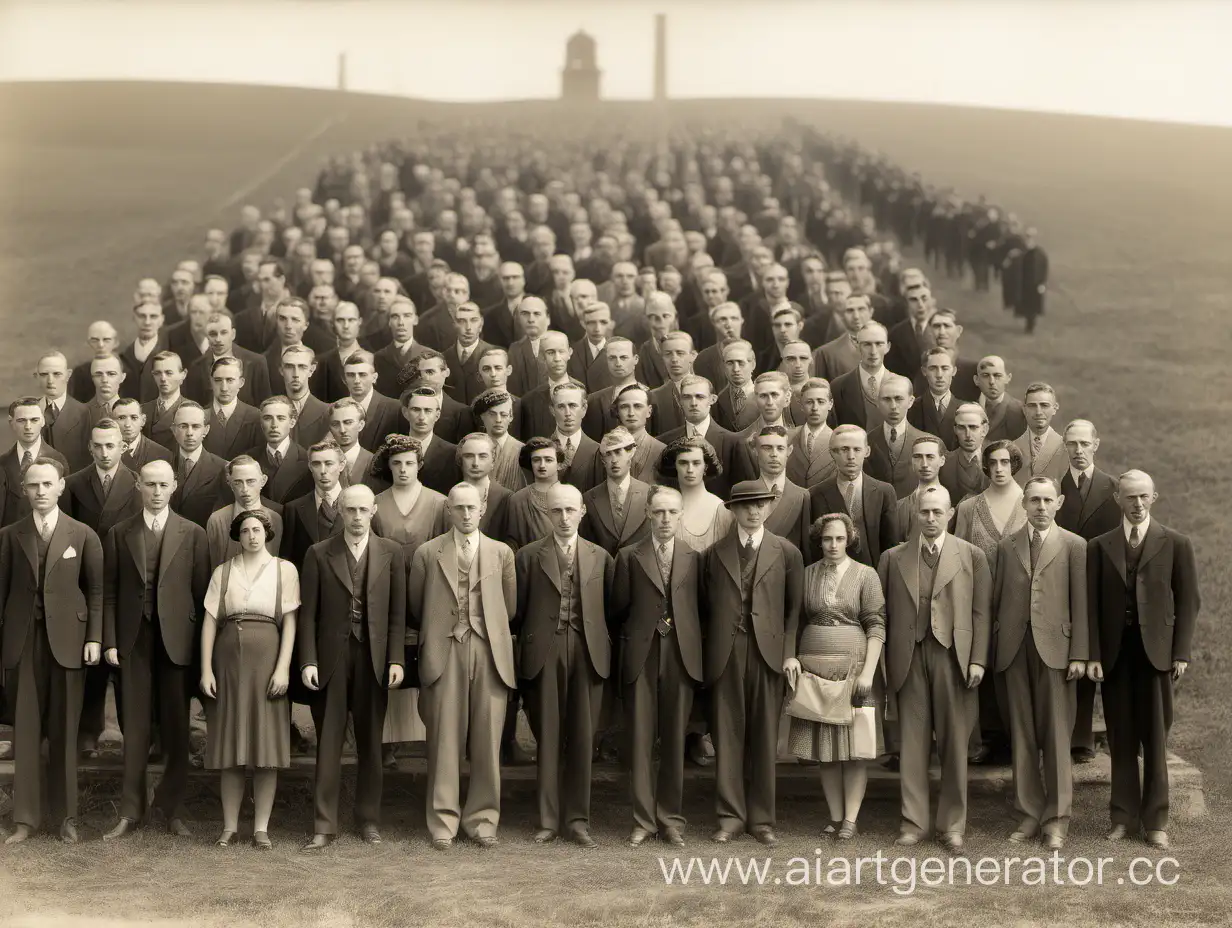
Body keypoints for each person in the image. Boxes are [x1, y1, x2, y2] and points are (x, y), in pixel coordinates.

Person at [1087, 471, 1200, 850]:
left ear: (1155, 497)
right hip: (1116, 656)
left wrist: (1180, 652)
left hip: (1157, 656)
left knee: (1154, 738)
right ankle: (1122, 816)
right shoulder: (1099, 546)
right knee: (1120, 739)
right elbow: (1090, 607)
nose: (1137, 504)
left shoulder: (1176, 543)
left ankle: (1155, 822)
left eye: (1144, 497)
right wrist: (1095, 656)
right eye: (1130, 497)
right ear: (1118, 497)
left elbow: (1187, 602)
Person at [100, 461, 210, 841]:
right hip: (133, 642)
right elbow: (110, 593)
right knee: (135, 728)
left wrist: (200, 653)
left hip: (177, 642)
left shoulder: (193, 534)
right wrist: (111, 640)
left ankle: (172, 806)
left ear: (174, 486)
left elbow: (201, 595)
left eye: (163, 484)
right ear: (138, 486)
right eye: (150, 484)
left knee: (178, 729)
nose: (157, 491)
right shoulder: (119, 532)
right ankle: (130, 809)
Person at [879, 486, 991, 852]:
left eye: (937, 512)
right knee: (912, 745)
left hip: (953, 657)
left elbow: (980, 613)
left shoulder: (971, 556)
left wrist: (977, 659)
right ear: (915, 512)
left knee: (955, 743)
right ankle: (913, 822)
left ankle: (952, 825)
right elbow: (882, 616)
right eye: (924, 512)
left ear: (951, 514)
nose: (930, 518)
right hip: (908, 657)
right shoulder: (892, 558)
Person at [0, 458, 104, 844]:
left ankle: (66, 817)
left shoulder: (82, 535)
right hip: (23, 641)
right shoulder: (10, 535)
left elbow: (96, 591)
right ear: (24, 490)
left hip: (69, 642)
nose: (40, 492)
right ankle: (25, 819)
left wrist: (94, 637)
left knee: (65, 729)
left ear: (61, 486)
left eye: (48, 484)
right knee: (25, 729)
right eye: (33, 485)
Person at [298, 485, 407, 850]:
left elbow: (397, 614)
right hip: (331, 659)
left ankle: (368, 820)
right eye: (350, 510)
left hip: (374, 659)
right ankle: (323, 824)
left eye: (363, 509)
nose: (357, 517)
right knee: (328, 743)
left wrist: (395, 659)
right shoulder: (318, 554)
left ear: (374, 510)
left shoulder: (392, 553)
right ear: (340, 512)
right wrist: (309, 660)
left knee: (370, 744)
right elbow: (307, 616)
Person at [410, 483, 517, 850]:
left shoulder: (502, 553)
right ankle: (443, 822)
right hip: (444, 650)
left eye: (472, 507)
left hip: (489, 651)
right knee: (444, 739)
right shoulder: (427, 553)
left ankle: (483, 820)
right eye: (458, 508)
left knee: (487, 738)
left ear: (483, 508)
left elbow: (510, 607)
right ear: (449, 511)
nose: (466, 514)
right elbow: (416, 606)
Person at [703, 480, 804, 847]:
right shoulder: (714, 554)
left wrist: (790, 652)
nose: (753, 511)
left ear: (769, 507)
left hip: (769, 653)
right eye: (745, 505)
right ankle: (730, 816)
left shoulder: (787, 552)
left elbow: (795, 611)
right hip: (726, 654)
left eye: (760, 504)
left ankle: (762, 819)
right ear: (732, 510)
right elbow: (705, 609)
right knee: (727, 735)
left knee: (764, 736)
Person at [514, 484, 615, 848]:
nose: (563, 517)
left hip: (588, 653)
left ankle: (577, 821)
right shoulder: (527, 557)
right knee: (548, 739)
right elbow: (519, 612)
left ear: (583, 512)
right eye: (556, 511)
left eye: (570, 510)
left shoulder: (601, 557)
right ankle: (547, 819)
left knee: (583, 739)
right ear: (547, 514)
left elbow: (611, 610)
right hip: (545, 651)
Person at [991, 477, 1088, 851]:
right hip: (1014, 649)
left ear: (1059, 502)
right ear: (1024, 504)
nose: (1041, 507)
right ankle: (1029, 812)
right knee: (1022, 734)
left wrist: (1080, 652)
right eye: (1034, 500)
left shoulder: (1074, 546)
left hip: (1057, 652)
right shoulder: (1005, 546)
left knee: (1056, 735)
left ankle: (1057, 819)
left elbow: (1081, 603)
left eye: (1048, 500)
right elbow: (998, 597)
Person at [199, 509, 300, 848]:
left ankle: (261, 829)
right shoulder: (223, 572)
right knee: (230, 746)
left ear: (267, 533)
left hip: (267, 660)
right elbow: (210, 622)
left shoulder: (284, 570)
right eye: (245, 531)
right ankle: (229, 826)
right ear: (237, 536)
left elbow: (290, 624)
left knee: (265, 746)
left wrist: (283, 667)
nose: (252, 536)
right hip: (228, 662)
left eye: (257, 530)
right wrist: (206, 669)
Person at [611, 486, 703, 848]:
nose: (665, 520)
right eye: (659, 513)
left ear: (681, 515)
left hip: (680, 656)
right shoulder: (629, 556)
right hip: (642, 656)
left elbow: (701, 611)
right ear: (648, 514)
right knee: (640, 740)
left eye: (672, 513)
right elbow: (618, 608)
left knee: (673, 742)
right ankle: (642, 821)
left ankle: (671, 820)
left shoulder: (695, 558)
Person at [784, 513, 885, 838]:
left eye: (840, 539)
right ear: (819, 540)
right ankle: (835, 815)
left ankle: (851, 820)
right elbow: (794, 621)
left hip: (855, 670)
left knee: (855, 748)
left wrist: (868, 671)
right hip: (815, 673)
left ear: (850, 539)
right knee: (825, 748)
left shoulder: (866, 575)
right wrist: (793, 657)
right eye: (827, 539)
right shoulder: (807, 574)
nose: (833, 545)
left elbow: (877, 625)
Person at [369, 434, 448, 762]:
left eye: (409, 463)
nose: (403, 469)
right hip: (386, 593)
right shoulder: (376, 503)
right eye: (397, 463)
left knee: (427, 658)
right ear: (389, 466)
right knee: (389, 656)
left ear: (420, 465)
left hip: (428, 591)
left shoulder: (439, 503)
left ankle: (432, 737)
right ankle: (388, 741)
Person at [1056, 419, 1121, 764]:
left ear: (1097, 444)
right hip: (1064, 584)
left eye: (1084, 443)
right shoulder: (1053, 488)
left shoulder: (1114, 489)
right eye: (1072, 444)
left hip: (1104, 585)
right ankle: (1078, 737)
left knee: (1108, 657)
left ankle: (1119, 734)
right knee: (1073, 656)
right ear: (1064, 446)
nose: (1078, 451)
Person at [809, 426, 900, 569]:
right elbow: (813, 548)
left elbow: (891, 546)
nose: (851, 456)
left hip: (874, 576)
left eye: (857, 449)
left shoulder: (884, 492)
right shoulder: (815, 494)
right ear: (832, 453)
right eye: (844, 450)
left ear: (867, 451)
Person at [656, 374, 754, 500]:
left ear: (712, 399)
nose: (693, 403)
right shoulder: (664, 442)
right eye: (687, 397)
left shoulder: (733, 443)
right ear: (679, 401)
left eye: (700, 397)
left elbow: (744, 495)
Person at [579, 428, 651, 556]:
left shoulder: (649, 494)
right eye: (608, 454)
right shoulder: (589, 499)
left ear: (630, 453)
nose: (613, 460)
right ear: (602, 459)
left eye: (618, 452)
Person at [2, 399, 70, 528]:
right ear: (11, 423)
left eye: (34, 420)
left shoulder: (58, 460)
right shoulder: (2, 463)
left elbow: (65, 508)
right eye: (22, 420)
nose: (28, 427)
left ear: (43, 421)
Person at [205, 456, 284, 566]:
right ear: (229, 483)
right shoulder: (217, 520)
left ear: (263, 481)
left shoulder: (275, 519)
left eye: (251, 481)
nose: (245, 489)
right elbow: (214, 565)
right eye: (238, 483)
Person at [168, 401, 228, 528]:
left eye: (195, 426)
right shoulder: (162, 463)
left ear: (206, 430)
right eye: (183, 426)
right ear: (173, 430)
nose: (189, 433)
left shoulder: (222, 468)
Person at [866, 375, 927, 499]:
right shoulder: (865, 442)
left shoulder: (929, 443)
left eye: (898, 399)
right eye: (887, 399)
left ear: (910, 401)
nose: (893, 406)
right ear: (877, 402)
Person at [34, 351, 92, 473]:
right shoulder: (30, 411)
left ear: (68, 375)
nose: (50, 380)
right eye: (44, 374)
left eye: (57, 374)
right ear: (36, 376)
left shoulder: (84, 413)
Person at [786, 378, 836, 489]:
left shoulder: (838, 440)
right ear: (801, 405)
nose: (815, 408)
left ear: (830, 404)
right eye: (809, 402)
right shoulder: (787, 437)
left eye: (821, 402)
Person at [1013, 382, 1066, 487]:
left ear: (1055, 408)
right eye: (1032, 406)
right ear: (1024, 409)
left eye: (1044, 405)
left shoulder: (1066, 448)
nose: (1038, 412)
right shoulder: (1012, 448)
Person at [473, 390, 525, 491]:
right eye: (492, 414)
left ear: (511, 417)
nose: (498, 420)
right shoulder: (472, 449)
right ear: (482, 416)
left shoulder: (522, 450)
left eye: (503, 415)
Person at [939, 403, 990, 505]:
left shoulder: (997, 459)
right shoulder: (944, 464)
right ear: (955, 430)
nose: (968, 434)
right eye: (962, 428)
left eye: (973, 427)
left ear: (984, 429)